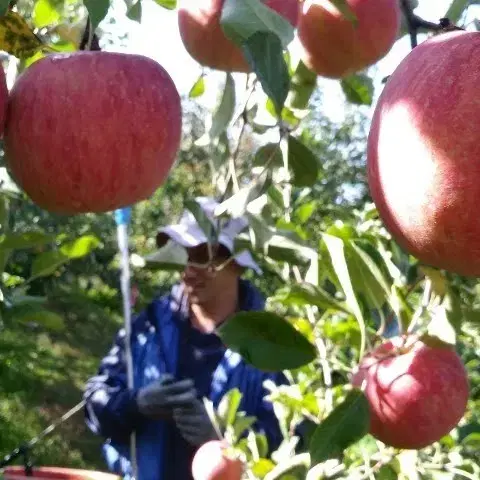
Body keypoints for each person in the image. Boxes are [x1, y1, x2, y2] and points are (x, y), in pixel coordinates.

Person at [83, 197, 289, 480]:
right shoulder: (150, 326)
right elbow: (96, 403)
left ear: (237, 264)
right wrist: (136, 404)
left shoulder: (274, 343)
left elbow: (294, 442)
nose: (189, 269)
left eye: (205, 255)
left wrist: (228, 441)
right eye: (184, 253)